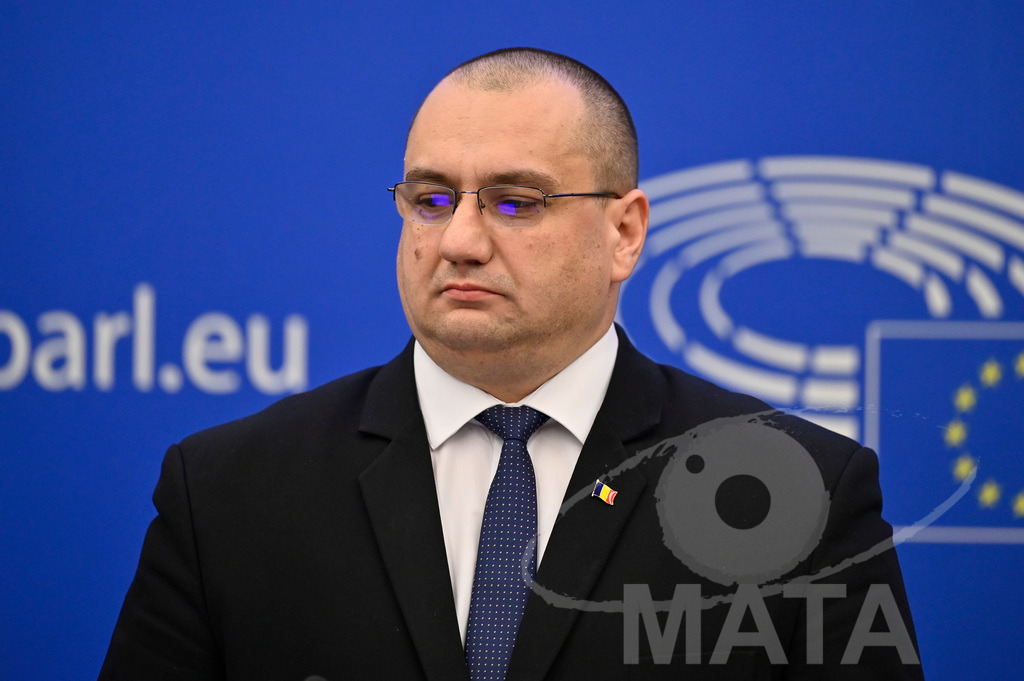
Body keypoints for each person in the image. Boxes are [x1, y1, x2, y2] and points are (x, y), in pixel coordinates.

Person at [99, 48, 924, 680]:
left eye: (514, 203)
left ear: (625, 233)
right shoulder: (227, 490)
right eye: (430, 200)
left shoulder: (795, 494)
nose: (459, 240)